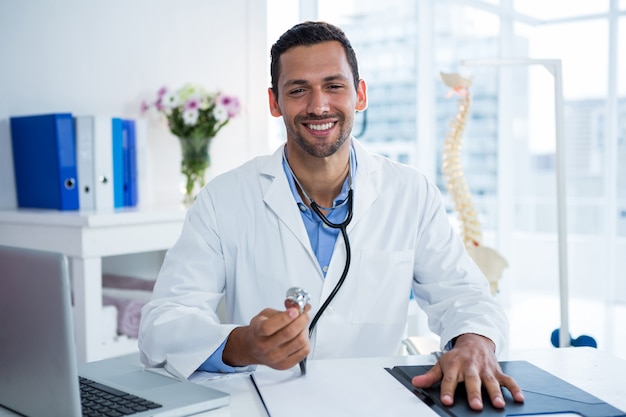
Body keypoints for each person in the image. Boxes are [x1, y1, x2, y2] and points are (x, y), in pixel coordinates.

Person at [139, 21, 524, 410]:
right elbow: (162, 324)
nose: (318, 105)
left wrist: (474, 341)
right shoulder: (224, 198)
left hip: (375, 405)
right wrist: (243, 344)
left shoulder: (410, 191)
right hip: (265, 405)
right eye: (298, 90)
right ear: (275, 103)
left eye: (333, 85)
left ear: (360, 94)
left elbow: (465, 295)